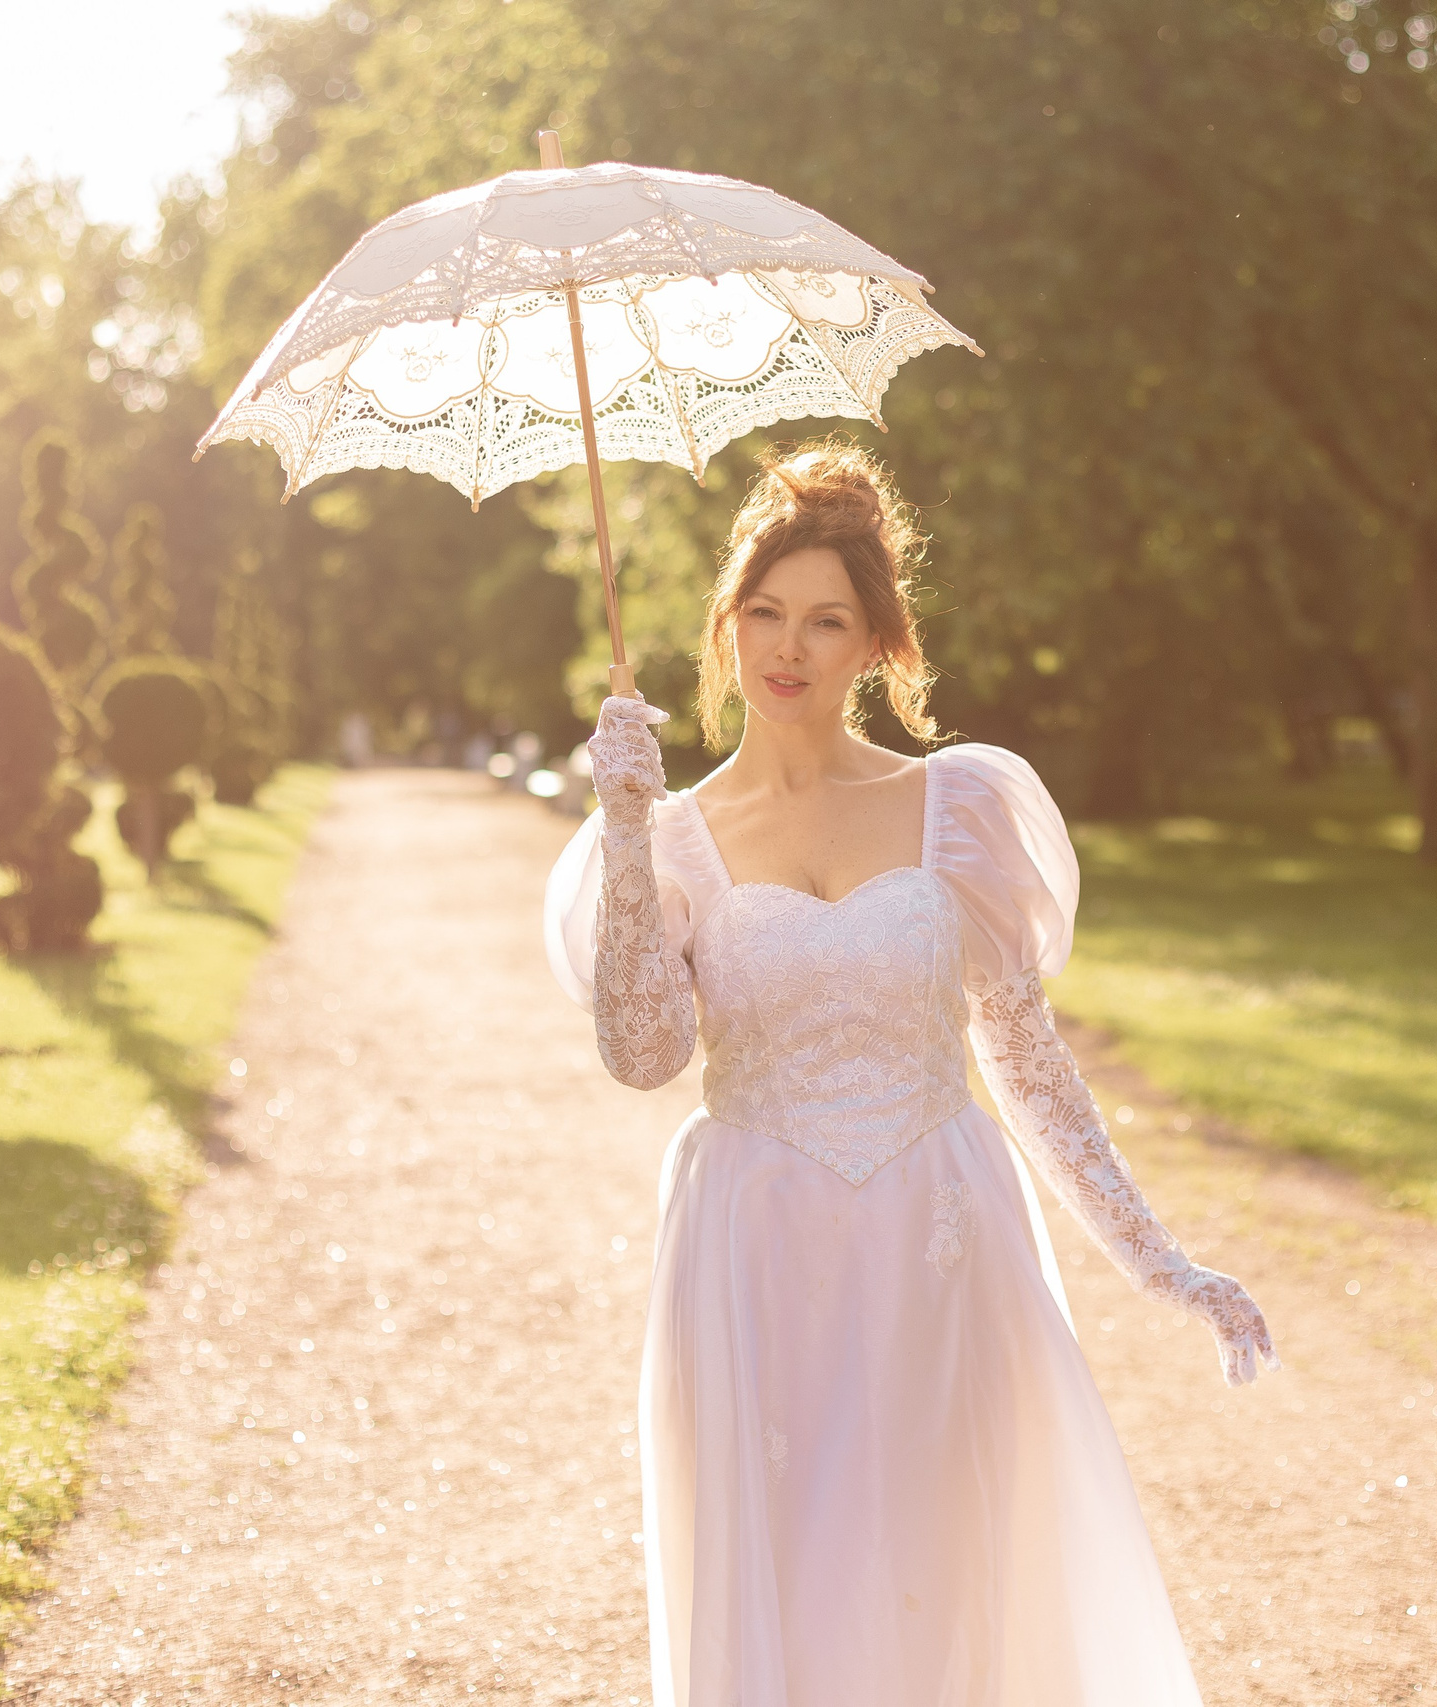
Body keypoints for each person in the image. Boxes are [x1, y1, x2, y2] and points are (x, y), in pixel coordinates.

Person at [545, 442, 1275, 1707]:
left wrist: (1163, 1262)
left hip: (939, 1246)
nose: (789, 647)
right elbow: (643, 1055)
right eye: (764, 614)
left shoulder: (962, 809)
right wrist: (618, 832)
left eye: (826, 621)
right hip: (754, 1257)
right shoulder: (666, 836)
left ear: (877, 645)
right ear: (725, 629)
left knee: (952, 1586)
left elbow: (1029, 1068)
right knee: (789, 1586)